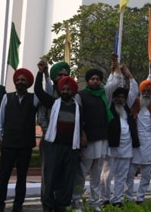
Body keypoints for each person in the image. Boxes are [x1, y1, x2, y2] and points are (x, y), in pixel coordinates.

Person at [34, 65, 84, 212]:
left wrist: (79, 150)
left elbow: (79, 128)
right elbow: (38, 91)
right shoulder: (53, 103)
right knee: (49, 179)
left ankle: (61, 206)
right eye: (63, 89)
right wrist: (40, 72)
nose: (65, 92)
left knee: (67, 180)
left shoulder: (78, 108)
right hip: (52, 147)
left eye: (68, 89)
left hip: (70, 148)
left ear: (73, 91)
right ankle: (48, 207)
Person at [72, 64, 122, 210]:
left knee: (96, 174)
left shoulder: (103, 94)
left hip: (102, 140)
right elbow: (77, 118)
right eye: (92, 79)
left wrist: (116, 64)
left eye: (98, 79)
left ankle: (94, 203)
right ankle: (76, 201)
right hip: (87, 140)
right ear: (88, 81)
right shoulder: (79, 96)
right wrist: (82, 133)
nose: (95, 81)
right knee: (81, 173)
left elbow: (117, 80)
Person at [0, 68, 39, 212]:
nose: (20, 82)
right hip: (8, 142)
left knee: (22, 177)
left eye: (23, 80)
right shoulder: (7, 97)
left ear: (28, 83)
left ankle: (18, 205)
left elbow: (47, 93)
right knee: (4, 176)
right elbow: (0, 119)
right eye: (18, 80)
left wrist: (41, 74)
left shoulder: (34, 98)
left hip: (25, 144)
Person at [125, 64, 151, 204]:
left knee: (146, 175)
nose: (147, 92)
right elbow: (137, 87)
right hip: (135, 143)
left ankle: (140, 198)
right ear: (141, 91)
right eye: (145, 90)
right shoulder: (134, 102)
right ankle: (129, 197)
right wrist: (149, 74)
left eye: (149, 90)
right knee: (130, 174)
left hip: (150, 143)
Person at [108, 84, 140, 207]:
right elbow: (109, 90)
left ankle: (117, 200)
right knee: (108, 176)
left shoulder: (128, 110)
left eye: (123, 97)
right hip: (112, 149)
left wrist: (130, 77)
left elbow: (134, 90)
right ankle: (105, 199)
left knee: (121, 177)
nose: (120, 99)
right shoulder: (110, 109)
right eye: (118, 97)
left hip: (126, 149)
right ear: (114, 98)